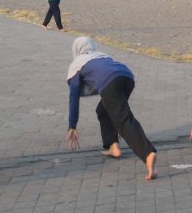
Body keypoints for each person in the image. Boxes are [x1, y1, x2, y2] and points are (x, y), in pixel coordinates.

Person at [67, 37, 157, 180]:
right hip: (127, 77)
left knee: (123, 120)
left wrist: (72, 125)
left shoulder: (77, 64)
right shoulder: (101, 55)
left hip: (111, 82)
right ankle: (113, 146)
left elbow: (74, 96)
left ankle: (148, 154)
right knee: (103, 110)